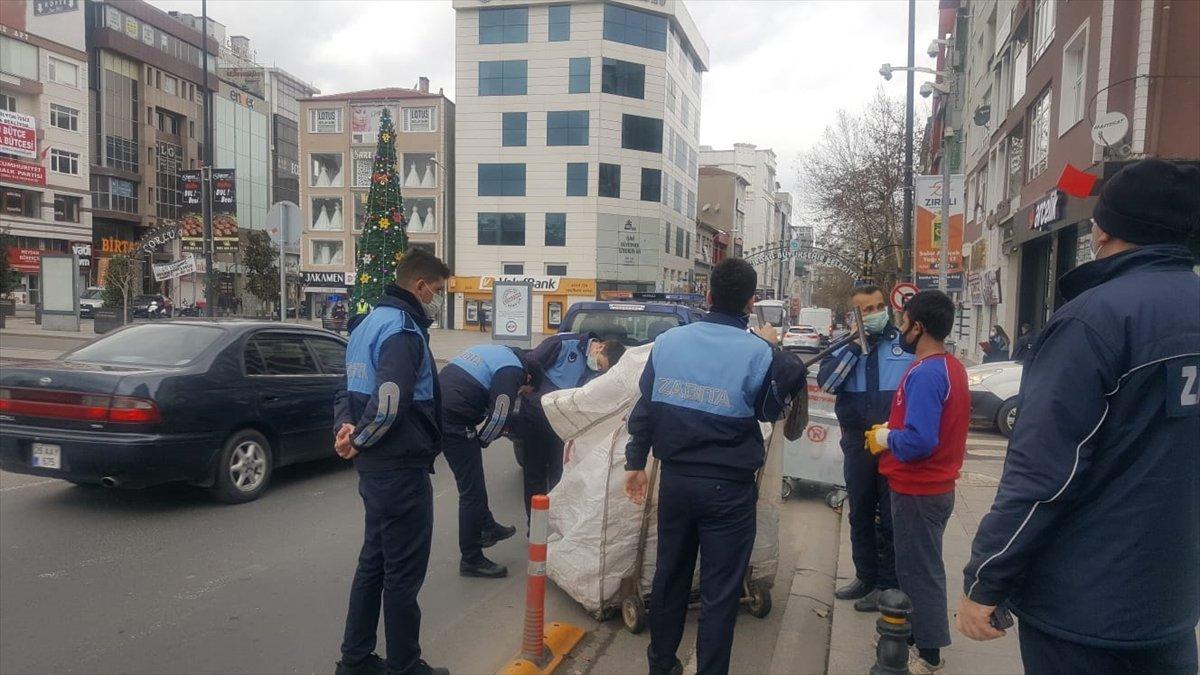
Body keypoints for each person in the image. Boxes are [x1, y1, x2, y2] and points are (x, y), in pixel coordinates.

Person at [957, 159, 1200, 674]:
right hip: (1171, 602)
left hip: (1084, 607)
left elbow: (1043, 473)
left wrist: (987, 579)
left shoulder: (1094, 320)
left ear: (1106, 228)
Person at [623, 257, 808, 675]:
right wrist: (773, 346)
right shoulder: (761, 354)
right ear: (751, 302)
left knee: (669, 578)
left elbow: (645, 409)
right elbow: (770, 409)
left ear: (707, 296)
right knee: (719, 593)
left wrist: (635, 462)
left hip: (677, 484)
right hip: (728, 490)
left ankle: (662, 665)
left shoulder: (668, 343)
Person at [332, 248, 451, 675]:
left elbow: (345, 389)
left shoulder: (366, 324)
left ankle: (356, 659)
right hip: (400, 468)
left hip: (376, 470)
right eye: (437, 291)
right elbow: (389, 403)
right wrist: (359, 438)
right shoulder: (402, 331)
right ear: (419, 287)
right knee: (403, 574)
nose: (438, 299)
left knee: (374, 564)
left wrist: (345, 430)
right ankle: (405, 665)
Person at [864, 290, 969, 674]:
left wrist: (886, 438)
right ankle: (906, 634)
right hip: (932, 488)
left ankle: (928, 653)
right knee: (919, 567)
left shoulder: (926, 373)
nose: (900, 328)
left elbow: (921, 441)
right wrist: (892, 429)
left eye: (905, 322)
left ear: (918, 327)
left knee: (919, 573)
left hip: (919, 489)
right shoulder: (949, 367)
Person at [817, 285, 914, 611]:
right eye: (866, 310)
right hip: (857, 441)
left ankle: (888, 585)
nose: (874, 314)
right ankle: (865, 577)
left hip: (893, 443)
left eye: (877, 307)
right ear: (852, 316)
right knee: (859, 511)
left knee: (889, 516)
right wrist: (856, 346)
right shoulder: (843, 348)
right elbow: (828, 384)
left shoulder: (904, 344)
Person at [438, 344, 545, 578]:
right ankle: (471, 559)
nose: (520, 394)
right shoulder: (513, 371)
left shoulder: (497, 353)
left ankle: (487, 525)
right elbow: (500, 414)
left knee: (474, 481)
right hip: (453, 418)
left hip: (441, 404)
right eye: (524, 391)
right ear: (528, 378)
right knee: (471, 492)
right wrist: (482, 441)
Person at [515, 333, 625, 522]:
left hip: (563, 426)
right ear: (600, 347)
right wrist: (537, 393)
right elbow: (529, 364)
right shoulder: (563, 344)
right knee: (535, 474)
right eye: (599, 363)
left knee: (562, 475)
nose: (597, 369)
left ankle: (556, 523)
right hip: (536, 418)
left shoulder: (598, 374)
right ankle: (535, 526)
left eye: (601, 369)